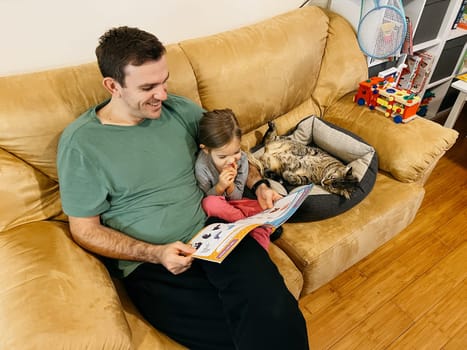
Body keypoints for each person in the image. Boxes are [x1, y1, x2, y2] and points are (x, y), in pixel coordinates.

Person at [57, 25, 309, 350]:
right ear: (112, 86)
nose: (162, 94)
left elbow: (230, 151)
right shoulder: (82, 144)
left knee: (278, 314)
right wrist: (155, 253)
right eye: (148, 86)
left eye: (164, 81)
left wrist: (258, 184)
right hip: (153, 264)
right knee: (230, 337)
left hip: (216, 232)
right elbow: (84, 230)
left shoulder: (179, 110)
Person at [195, 108, 275, 251]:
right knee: (209, 203)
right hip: (221, 208)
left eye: (236, 152)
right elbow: (206, 197)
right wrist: (220, 186)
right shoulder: (202, 166)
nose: (231, 160)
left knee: (269, 206)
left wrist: (230, 185)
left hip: (239, 203)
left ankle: (257, 237)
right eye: (222, 157)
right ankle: (249, 225)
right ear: (206, 150)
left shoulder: (242, 159)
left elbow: (237, 196)